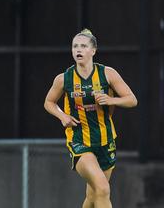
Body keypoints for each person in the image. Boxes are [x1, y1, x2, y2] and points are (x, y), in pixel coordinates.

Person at [44, 29, 138, 208]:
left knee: (93, 195)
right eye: (75, 46)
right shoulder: (64, 79)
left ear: (93, 51)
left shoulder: (107, 73)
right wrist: (62, 115)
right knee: (102, 188)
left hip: (105, 139)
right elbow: (48, 102)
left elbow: (132, 100)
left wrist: (112, 100)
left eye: (83, 46)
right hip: (80, 139)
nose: (78, 50)